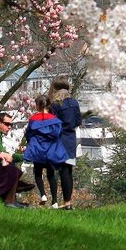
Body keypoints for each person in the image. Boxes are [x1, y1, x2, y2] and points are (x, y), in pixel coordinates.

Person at [22, 94, 69, 206]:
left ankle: (43, 194)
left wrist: (31, 143)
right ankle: (55, 201)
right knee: (51, 174)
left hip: (38, 149)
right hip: (51, 150)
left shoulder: (33, 119)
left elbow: (28, 134)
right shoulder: (55, 120)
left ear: (38, 105)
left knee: (37, 172)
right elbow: (58, 134)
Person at [49, 79, 82, 210]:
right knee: (68, 171)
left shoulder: (55, 104)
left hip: (58, 139)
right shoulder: (74, 102)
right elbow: (78, 120)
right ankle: (68, 202)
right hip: (70, 139)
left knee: (60, 171)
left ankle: (56, 202)